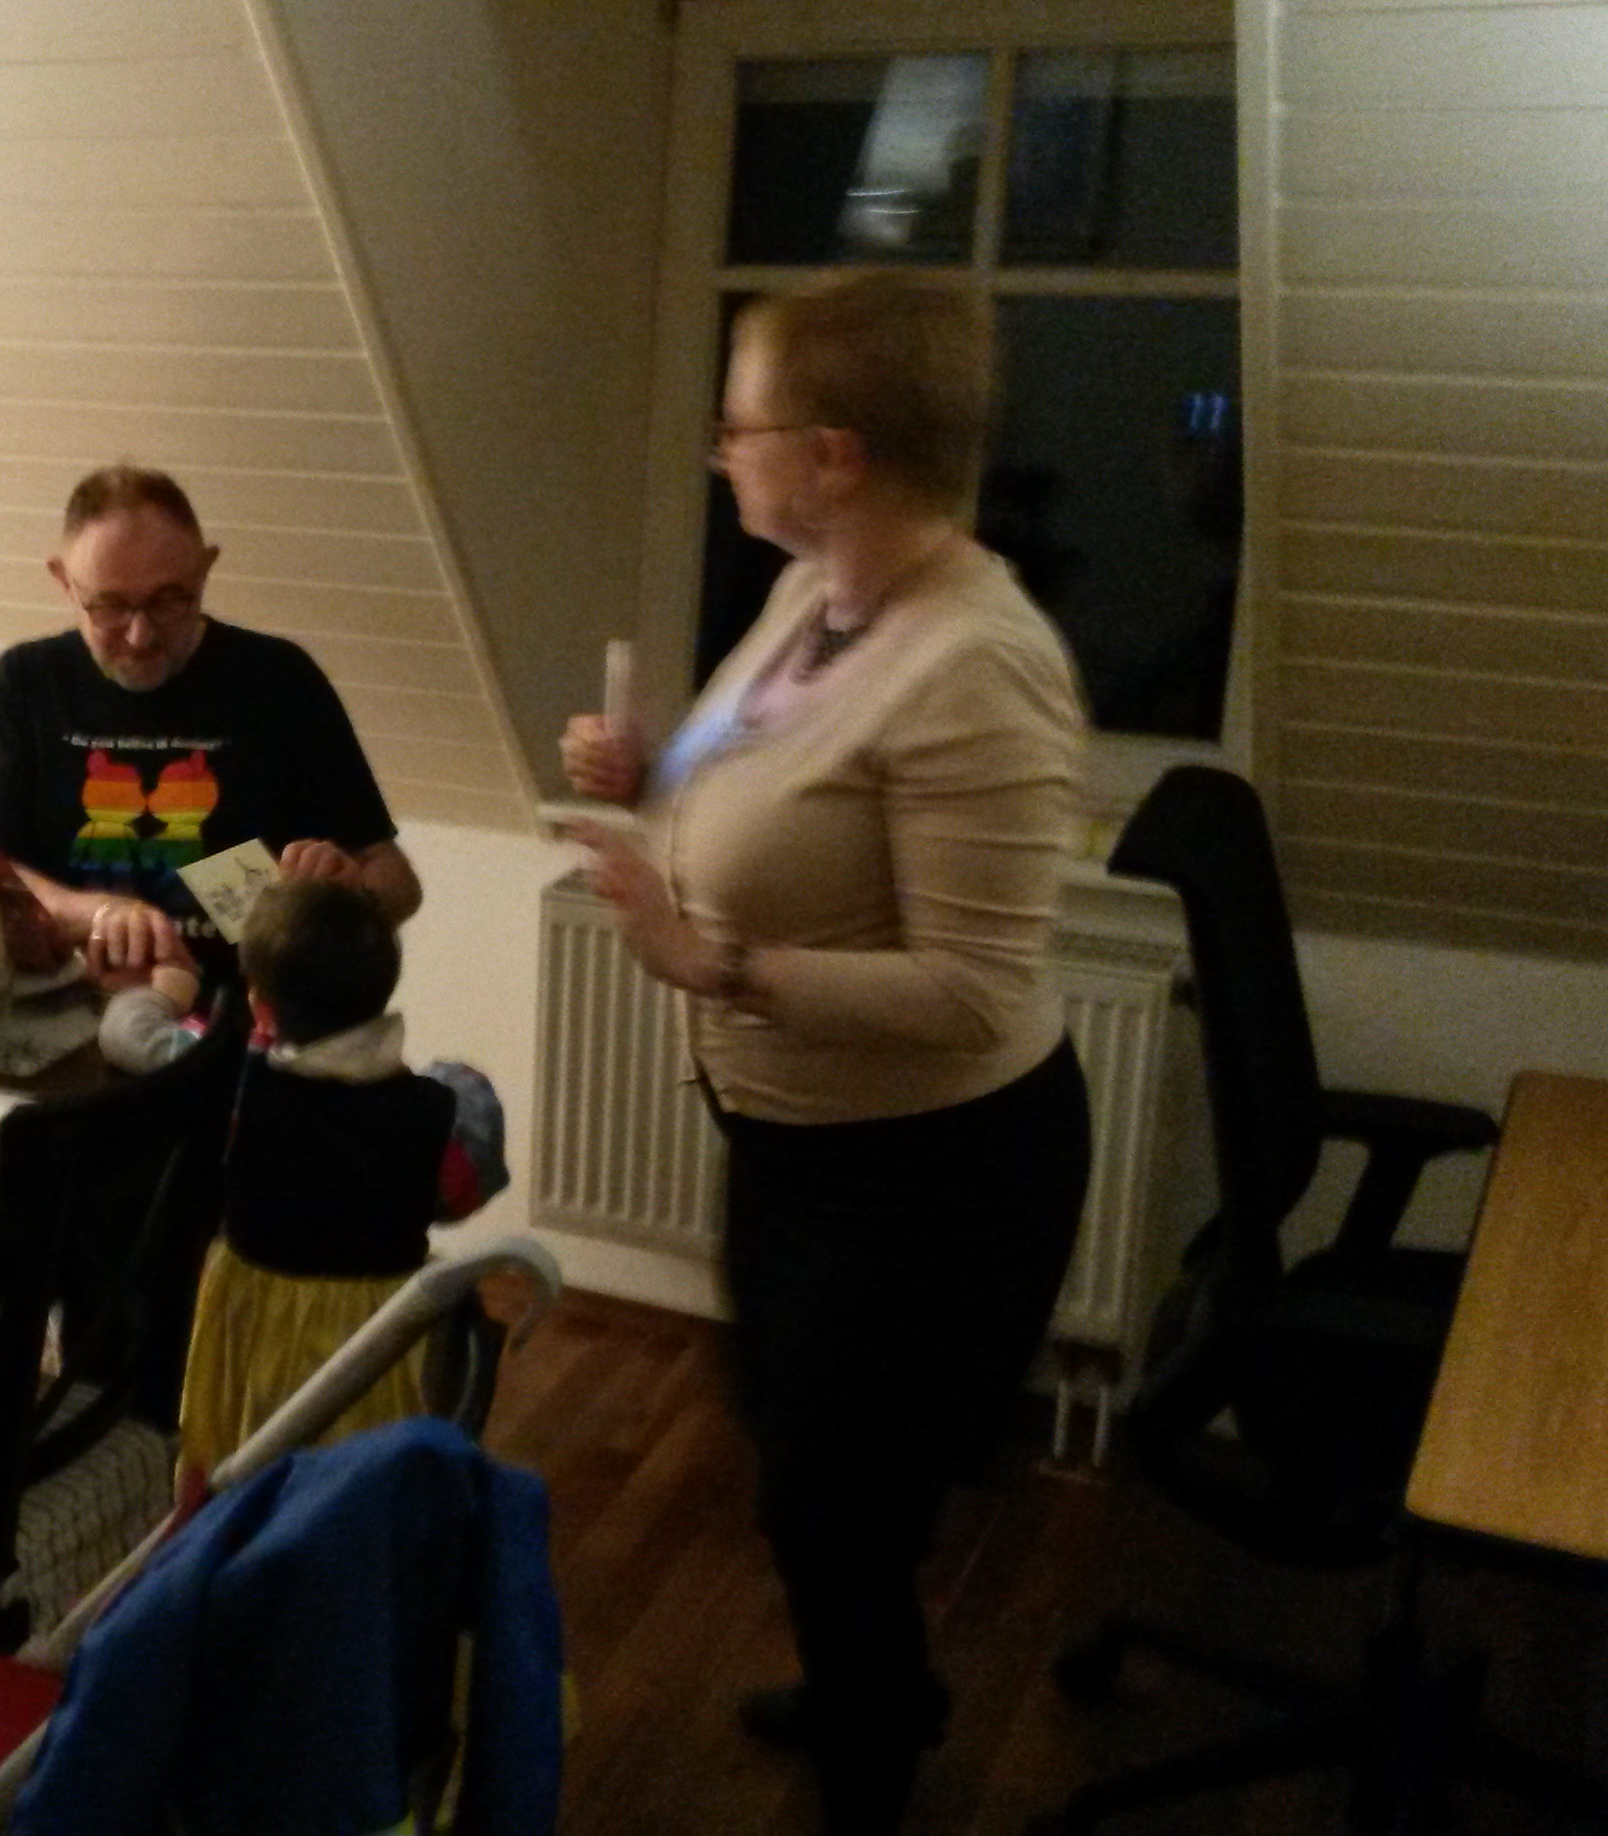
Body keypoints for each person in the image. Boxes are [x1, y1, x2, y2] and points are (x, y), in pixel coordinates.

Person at [558, 271, 1092, 1835]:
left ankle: (874, 1767)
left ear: (835, 454)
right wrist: (648, 771)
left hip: (928, 1175)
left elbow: (972, 991)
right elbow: (755, 785)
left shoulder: (976, 663)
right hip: (794, 1140)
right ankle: (879, 1689)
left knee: (838, 1498)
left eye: (741, 426)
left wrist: (714, 962)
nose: (721, 451)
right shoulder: (813, 596)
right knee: (806, 1472)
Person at [110, 878, 507, 1500]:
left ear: (261, 1006)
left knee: (238, 1466)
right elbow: (461, 1187)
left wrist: (165, 992)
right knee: (354, 1487)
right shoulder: (434, 1113)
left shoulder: (237, 1091)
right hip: (375, 1339)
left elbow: (131, 1038)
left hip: (250, 1323)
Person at [0, 464, 419, 989]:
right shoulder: (27, 682)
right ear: (64, 581)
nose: (139, 636)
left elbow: (399, 883)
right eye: (109, 607)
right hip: (68, 1015)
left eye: (168, 601)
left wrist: (348, 894)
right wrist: (98, 914)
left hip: (251, 1018)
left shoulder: (279, 679)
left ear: (204, 571)